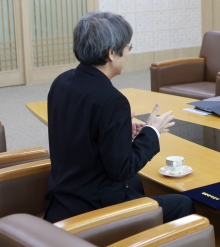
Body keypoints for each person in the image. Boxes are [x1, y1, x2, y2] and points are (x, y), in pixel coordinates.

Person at [44, 12, 194, 223]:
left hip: (63, 199)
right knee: (183, 203)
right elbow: (122, 170)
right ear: (111, 54)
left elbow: (78, 130)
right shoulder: (112, 100)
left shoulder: (61, 82)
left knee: (135, 184)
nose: (128, 54)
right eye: (127, 48)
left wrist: (120, 130)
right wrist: (152, 132)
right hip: (93, 209)